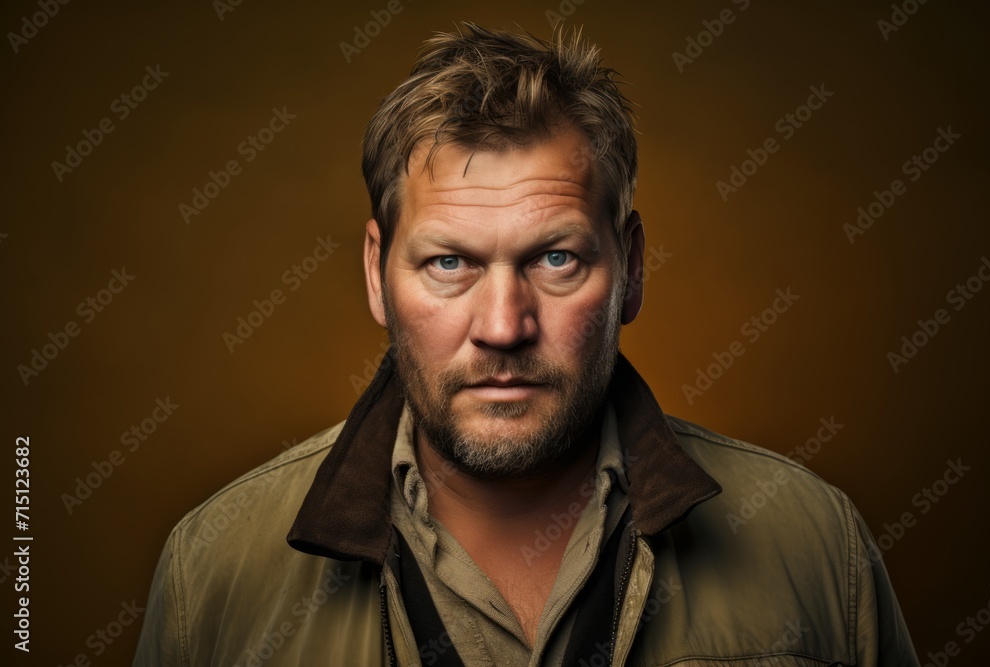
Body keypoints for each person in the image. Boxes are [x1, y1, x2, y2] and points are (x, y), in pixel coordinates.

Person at [133, 22, 918, 666]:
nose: (504, 326)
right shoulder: (215, 573)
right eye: (449, 262)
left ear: (632, 269)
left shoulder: (816, 548)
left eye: (555, 258)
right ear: (377, 273)